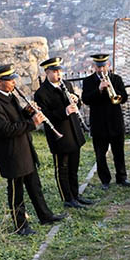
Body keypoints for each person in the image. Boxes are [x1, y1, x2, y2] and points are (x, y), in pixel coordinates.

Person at [0, 64, 66, 235]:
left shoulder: (10, 95)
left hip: (24, 149)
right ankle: (21, 226)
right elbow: (5, 130)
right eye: (9, 80)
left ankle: (45, 215)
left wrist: (28, 112)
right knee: (16, 192)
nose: (14, 82)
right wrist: (32, 123)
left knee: (35, 186)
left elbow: (17, 118)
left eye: (14, 78)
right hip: (11, 154)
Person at [34, 57, 93, 209]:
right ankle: (67, 198)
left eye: (59, 70)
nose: (58, 74)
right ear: (47, 72)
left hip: (73, 132)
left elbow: (76, 104)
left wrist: (76, 100)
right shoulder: (41, 93)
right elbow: (46, 116)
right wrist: (64, 111)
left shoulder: (66, 84)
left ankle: (76, 195)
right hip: (59, 135)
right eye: (55, 71)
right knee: (63, 168)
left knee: (74, 167)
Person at [82, 54, 130, 190]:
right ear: (94, 67)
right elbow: (85, 99)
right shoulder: (88, 81)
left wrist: (116, 93)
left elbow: (125, 97)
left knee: (119, 152)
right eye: (98, 67)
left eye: (104, 66)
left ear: (108, 65)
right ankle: (105, 180)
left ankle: (122, 177)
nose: (101, 69)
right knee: (100, 155)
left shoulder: (116, 79)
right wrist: (99, 90)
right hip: (99, 124)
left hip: (115, 122)